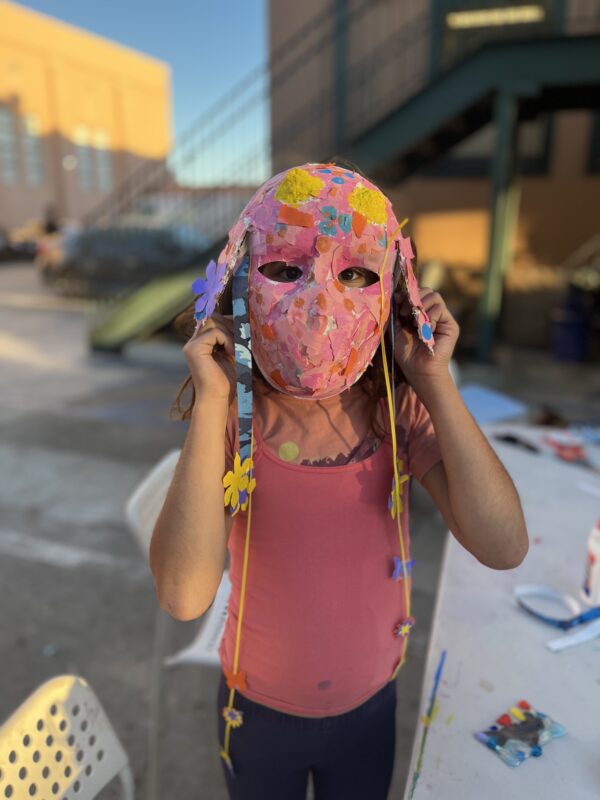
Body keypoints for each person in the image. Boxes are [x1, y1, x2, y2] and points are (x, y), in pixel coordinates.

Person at [150, 162, 529, 800]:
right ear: (242, 280)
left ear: (394, 292)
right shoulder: (234, 423)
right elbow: (184, 595)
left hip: (370, 708)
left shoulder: (396, 410)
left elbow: (504, 544)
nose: (320, 304)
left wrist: (434, 383)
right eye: (284, 269)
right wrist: (213, 402)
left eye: (355, 273)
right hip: (257, 712)